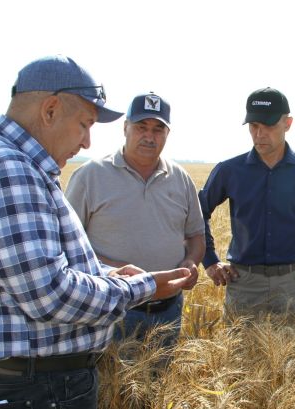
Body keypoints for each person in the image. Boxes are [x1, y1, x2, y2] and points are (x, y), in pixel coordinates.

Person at [0, 55, 192, 409]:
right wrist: (142, 287)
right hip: (39, 394)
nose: (88, 142)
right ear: (50, 110)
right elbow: (49, 295)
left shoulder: (16, 166)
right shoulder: (6, 171)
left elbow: (47, 268)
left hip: (41, 389)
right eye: (85, 124)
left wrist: (111, 276)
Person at [198, 87, 295, 317]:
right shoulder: (229, 170)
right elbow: (197, 213)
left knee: (293, 353)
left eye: (269, 126)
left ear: (287, 123)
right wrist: (209, 260)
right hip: (243, 284)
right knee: (240, 353)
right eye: (254, 126)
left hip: (293, 283)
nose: (260, 134)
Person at [66, 92, 205, 345]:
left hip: (168, 309)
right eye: (141, 127)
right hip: (112, 309)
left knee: (162, 381)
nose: (149, 137)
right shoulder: (90, 176)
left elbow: (196, 234)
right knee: (112, 382)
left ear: (167, 134)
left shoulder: (180, 178)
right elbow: (68, 245)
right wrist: (115, 274)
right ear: (125, 127)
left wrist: (191, 261)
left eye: (158, 129)